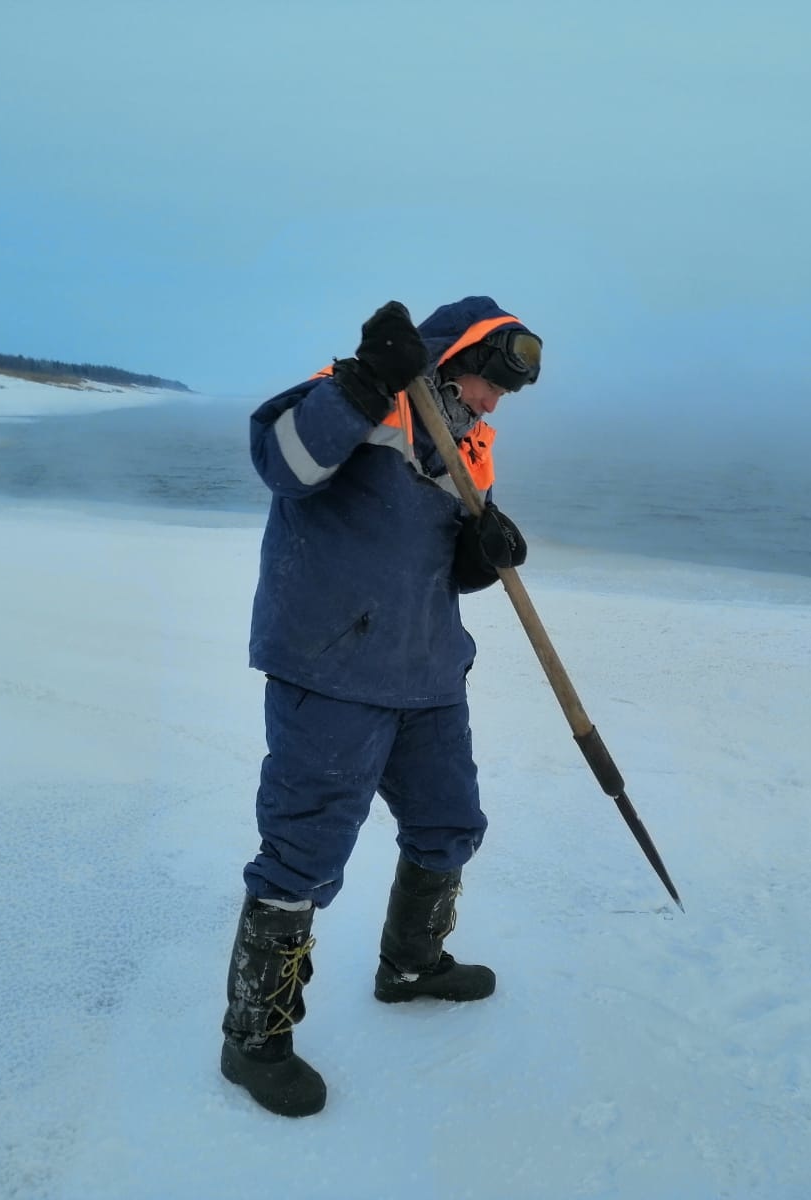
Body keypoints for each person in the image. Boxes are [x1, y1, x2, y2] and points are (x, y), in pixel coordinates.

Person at [218, 296, 542, 1117]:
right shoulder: (356, 397)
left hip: (427, 669)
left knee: (450, 823)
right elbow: (282, 465)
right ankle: (253, 1038)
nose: (495, 402)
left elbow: (432, 560)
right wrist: (363, 382)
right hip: (331, 667)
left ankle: (411, 966)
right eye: (488, 382)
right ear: (453, 355)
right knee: (304, 851)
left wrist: (481, 553)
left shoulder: (471, 444)